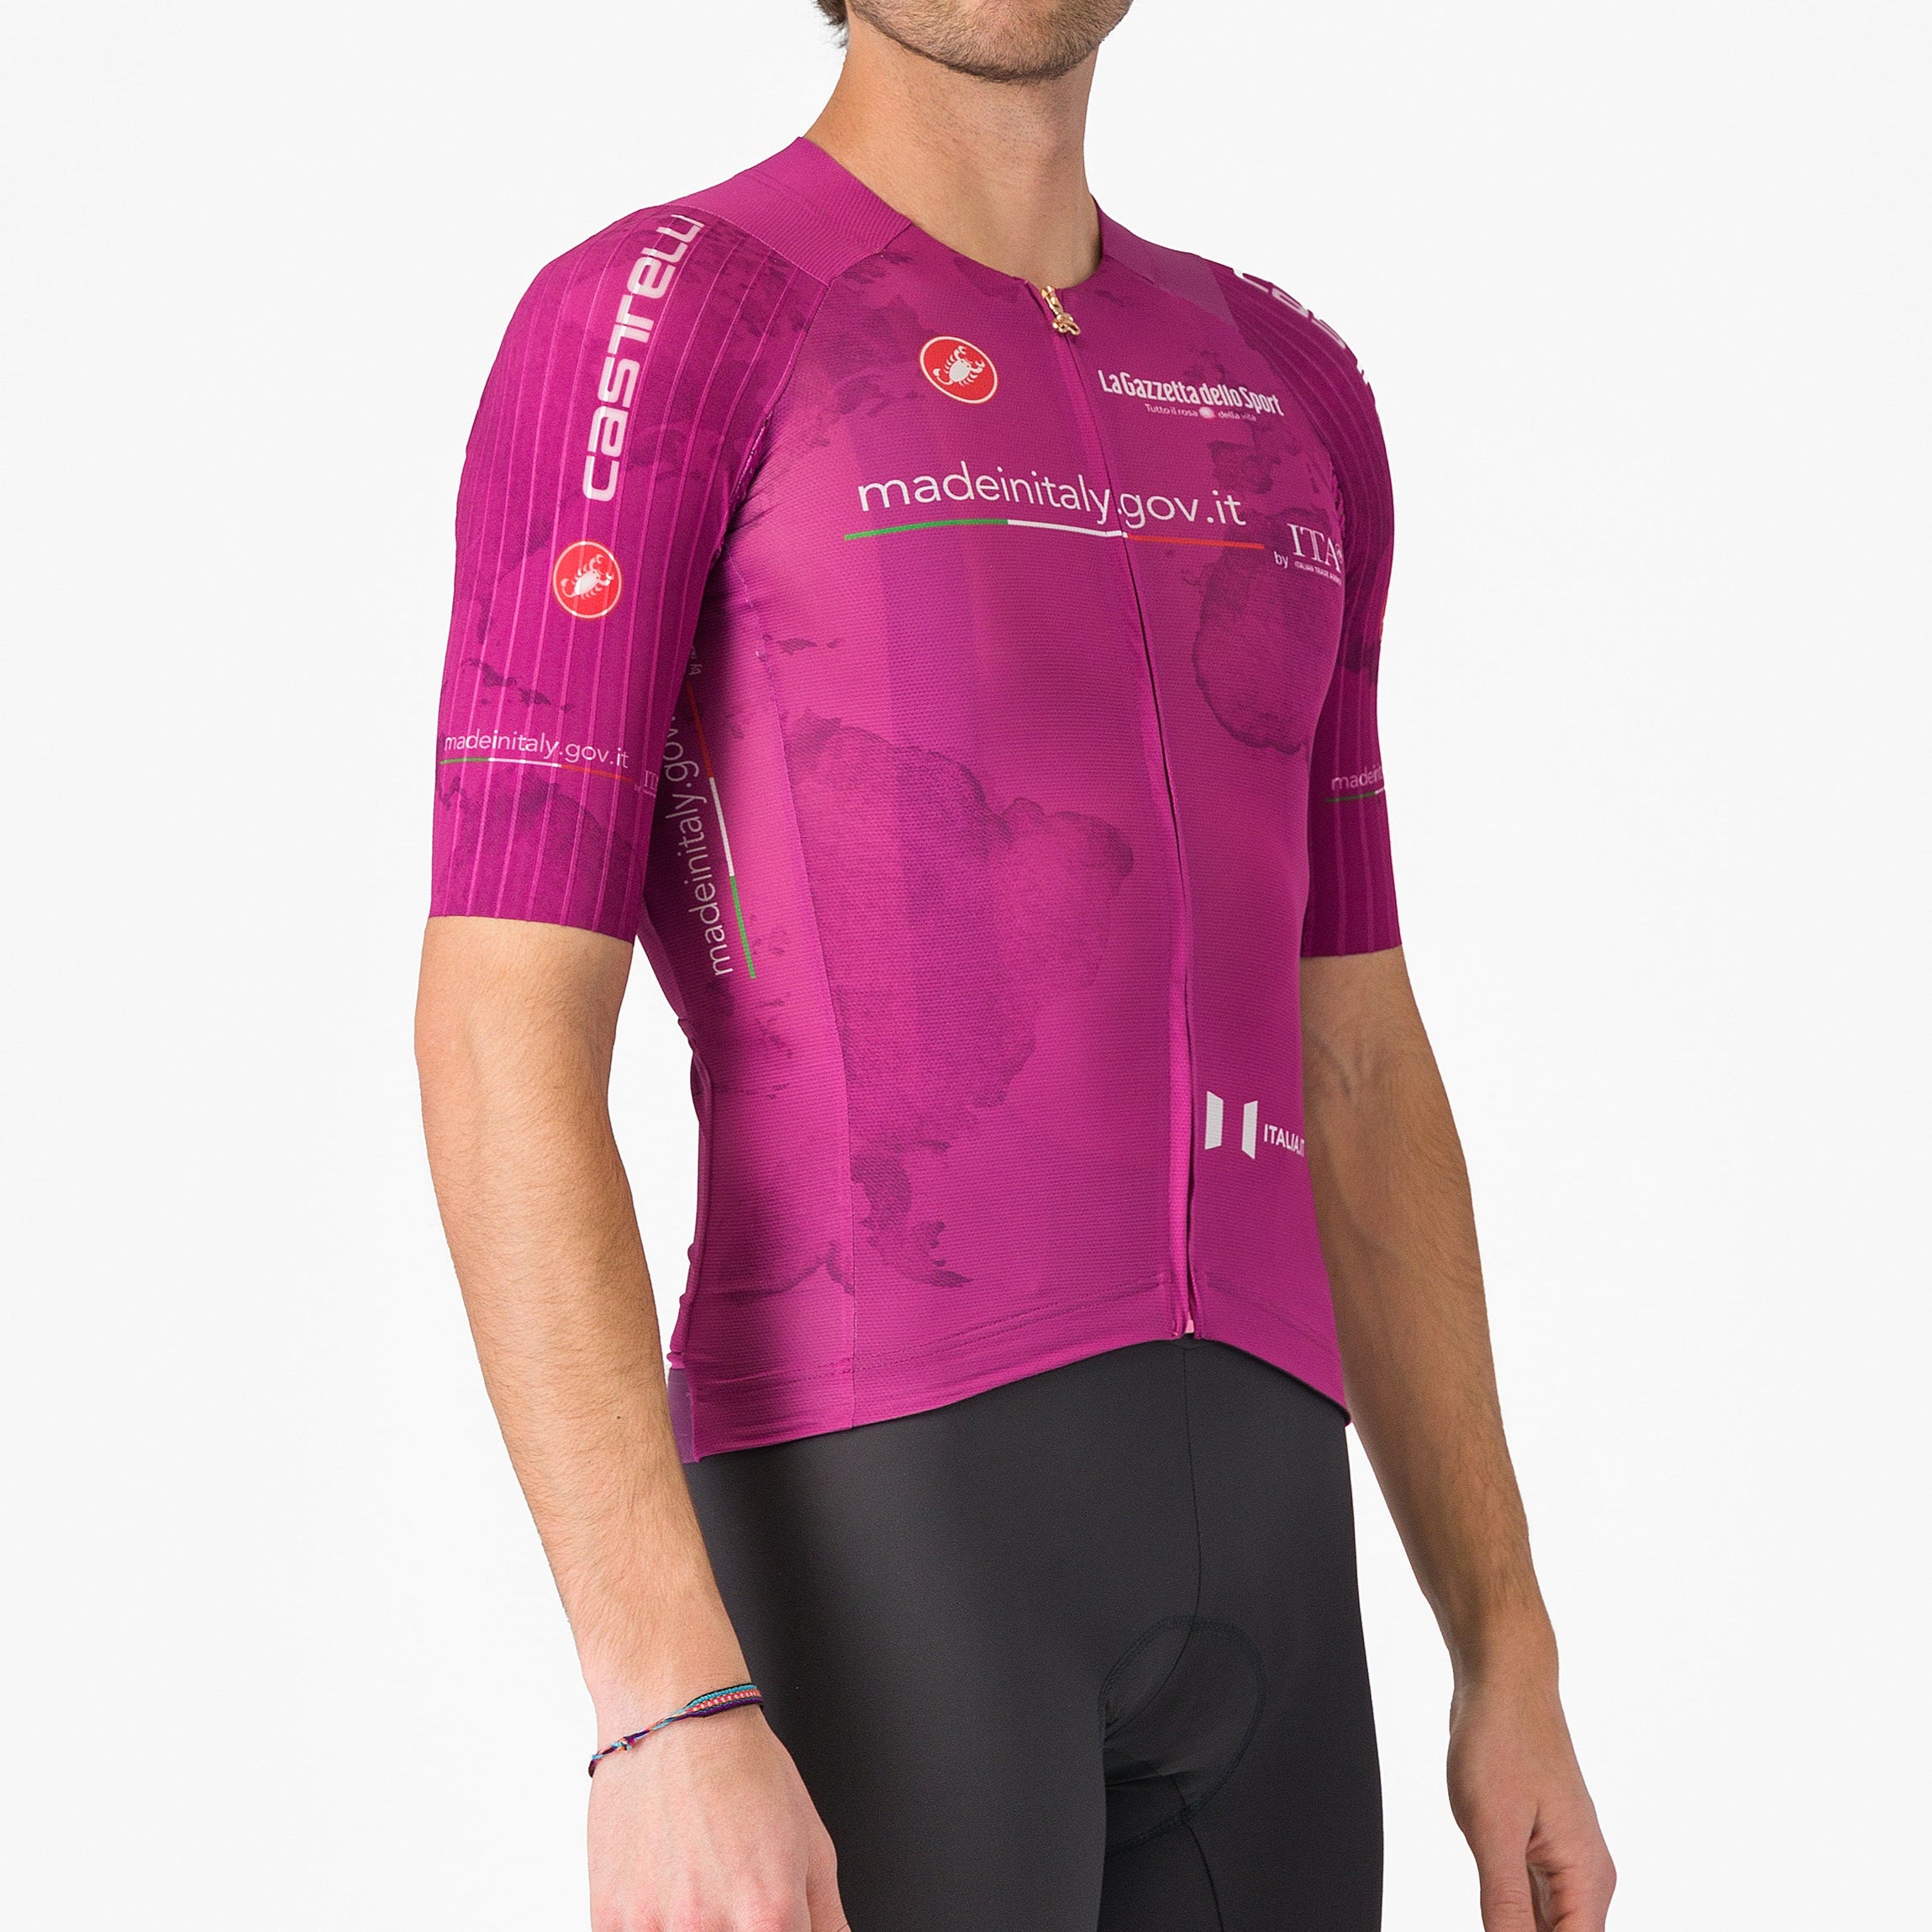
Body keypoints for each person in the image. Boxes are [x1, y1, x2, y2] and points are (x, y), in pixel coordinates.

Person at [414, 2, 1617, 1926]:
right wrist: (662, 1701)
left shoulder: (1280, 380)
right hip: (880, 1515)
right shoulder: (671, 315)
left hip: (1278, 1557)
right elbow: (500, 1027)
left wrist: (1504, 1640)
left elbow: (1355, 1045)